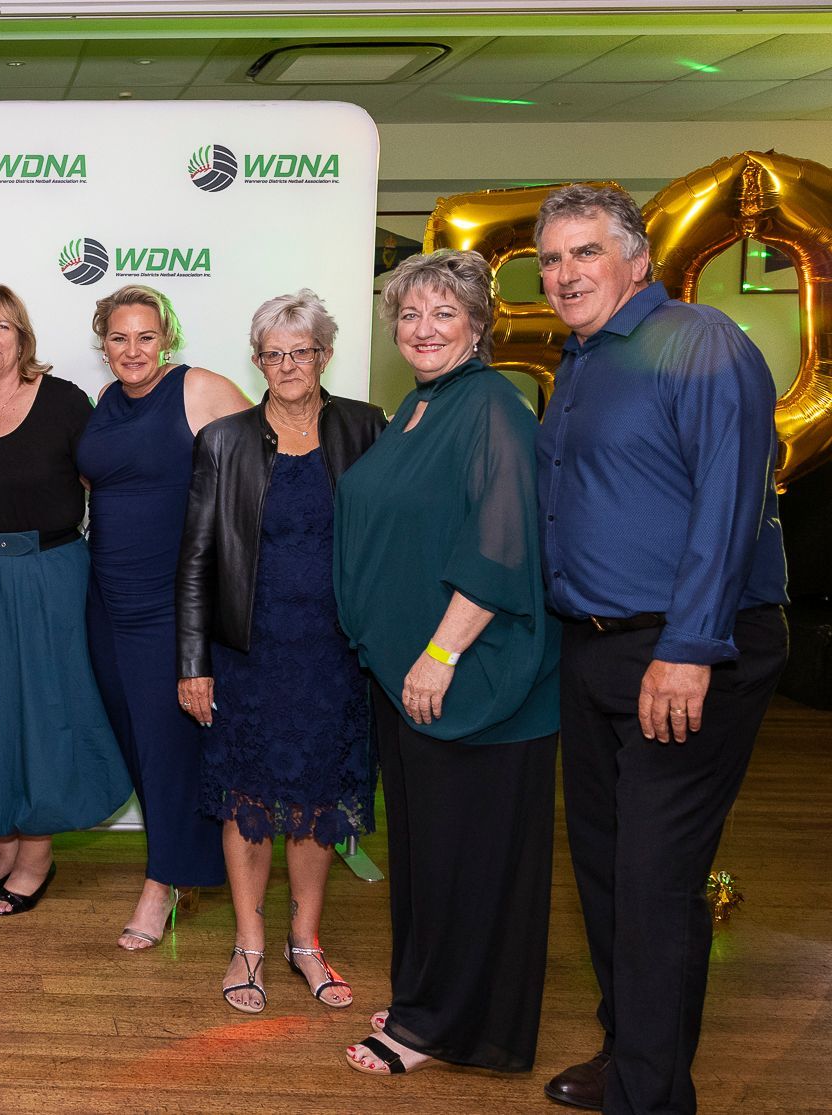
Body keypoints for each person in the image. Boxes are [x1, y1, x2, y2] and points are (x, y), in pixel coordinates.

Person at [533, 185, 788, 1115]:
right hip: (596, 646)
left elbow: (729, 504)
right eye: (552, 259)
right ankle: (636, 1053)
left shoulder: (699, 341)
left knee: (652, 880)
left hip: (687, 652)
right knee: (607, 873)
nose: (565, 274)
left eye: (585, 253)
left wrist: (686, 648)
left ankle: (650, 1095)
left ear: (637, 259)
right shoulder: (584, 361)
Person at [334, 249, 560, 1078]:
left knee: (469, 860)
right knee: (431, 857)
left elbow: (501, 547)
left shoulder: (496, 405)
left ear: (478, 327)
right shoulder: (420, 407)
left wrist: (437, 653)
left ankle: (441, 1026)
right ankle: (430, 994)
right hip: (409, 682)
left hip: (471, 682)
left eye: (443, 314)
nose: (422, 329)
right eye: (409, 314)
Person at [174, 289, 383, 1009]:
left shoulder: (365, 426)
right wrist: (193, 661)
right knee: (249, 800)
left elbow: (388, 540)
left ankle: (307, 942)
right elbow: (196, 559)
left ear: (324, 355)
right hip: (248, 652)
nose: (288, 364)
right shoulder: (224, 440)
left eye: (302, 351)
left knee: (317, 801)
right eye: (274, 353)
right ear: (257, 359)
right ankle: (249, 945)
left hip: (334, 652)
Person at [0, 284, 132, 916]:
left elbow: (108, 485)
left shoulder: (65, 402)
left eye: (4, 327)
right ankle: (4, 840)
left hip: (47, 576)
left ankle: (37, 850)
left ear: (23, 338)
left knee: (43, 710)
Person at [77, 284, 249, 949]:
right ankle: (183, 862)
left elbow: (262, 460)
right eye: (119, 338)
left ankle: (164, 880)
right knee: (136, 743)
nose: (132, 349)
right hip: (107, 598)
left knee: (168, 744)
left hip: (169, 602)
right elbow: (104, 481)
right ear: (104, 343)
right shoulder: (103, 403)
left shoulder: (198, 387)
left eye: (145, 336)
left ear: (166, 338)